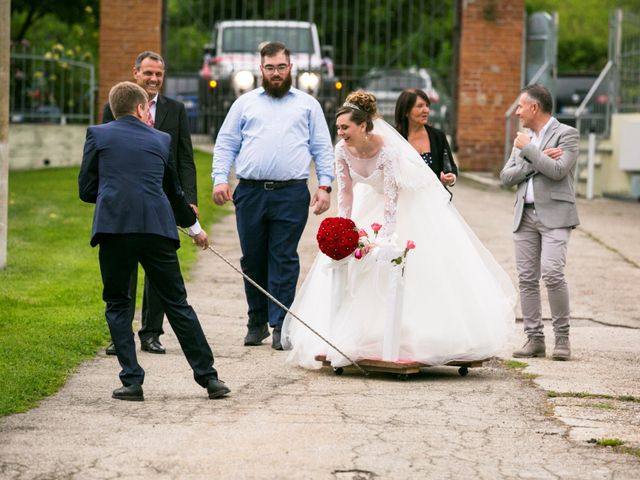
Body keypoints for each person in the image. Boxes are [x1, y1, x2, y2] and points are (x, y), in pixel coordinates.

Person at [282, 91, 516, 369]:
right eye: (338, 128)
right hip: (368, 206)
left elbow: (392, 199)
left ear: (363, 126)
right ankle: (359, 335)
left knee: (403, 267)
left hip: (402, 207)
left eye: (345, 127)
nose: (340, 133)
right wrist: (345, 229)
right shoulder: (341, 150)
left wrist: (385, 237)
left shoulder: (388, 151)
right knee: (353, 269)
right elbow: (345, 194)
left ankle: (415, 335)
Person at [79, 81, 229, 401]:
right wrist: (195, 230)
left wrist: (113, 193)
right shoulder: (161, 140)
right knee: (177, 303)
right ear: (140, 108)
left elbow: (86, 189)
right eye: (148, 107)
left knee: (118, 304)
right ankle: (209, 378)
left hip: (114, 228)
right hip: (156, 229)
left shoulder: (97, 135)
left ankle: (132, 381)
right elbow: (175, 194)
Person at [212, 42, 334, 350]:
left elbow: (322, 148)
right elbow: (226, 143)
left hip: (291, 193)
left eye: (281, 67)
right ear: (260, 69)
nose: (276, 73)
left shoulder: (307, 105)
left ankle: (281, 323)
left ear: (290, 67)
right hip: (250, 193)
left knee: (284, 257)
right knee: (252, 258)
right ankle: (256, 322)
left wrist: (325, 186)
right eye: (270, 68)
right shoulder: (245, 103)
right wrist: (219, 180)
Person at [102, 51, 198, 355]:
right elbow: (105, 154)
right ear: (136, 73)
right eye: (148, 74)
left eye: (159, 74)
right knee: (125, 269)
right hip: (126, 203)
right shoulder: (113, 108)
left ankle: (151, 333)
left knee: (160, 272)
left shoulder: (175, 109)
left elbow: (184, 158)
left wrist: (190, 200)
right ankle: (121, 335)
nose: (154, 79)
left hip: (164, 202)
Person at [500, 84, 580, 361]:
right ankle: (534, 340)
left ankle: (562, 339)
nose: (517, 111)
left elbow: (558, 172)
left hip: (556, 215)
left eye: (521, 106)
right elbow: (506, 177)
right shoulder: (523, 138)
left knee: (553, 274)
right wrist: (538, 158)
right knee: (526, 279)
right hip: (524, 215)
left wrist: (531, 152)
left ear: (534, 107)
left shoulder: (567, 134)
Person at [395, 88, 457, 188]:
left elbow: (451, 168)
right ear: (406, 111)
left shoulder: (438, 136)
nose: (426, 110)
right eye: (420, 106)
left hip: (435, 199)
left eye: (427, 106)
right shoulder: (395, 138)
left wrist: (451, 178)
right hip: (405, 200)